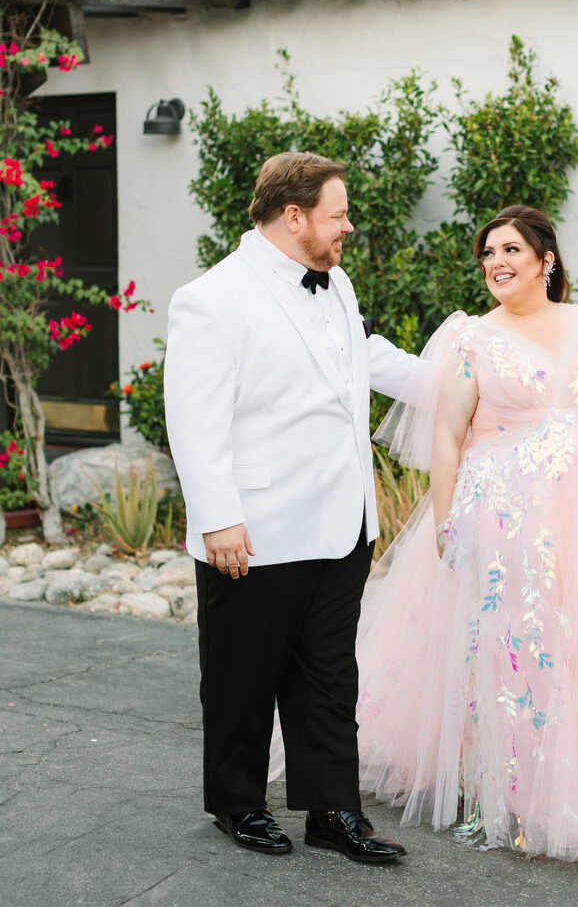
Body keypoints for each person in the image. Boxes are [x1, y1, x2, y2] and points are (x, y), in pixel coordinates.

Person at [353, 204, 578, 863]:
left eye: (511, 250)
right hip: (506, 518)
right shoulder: (472, 339)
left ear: (546, 260)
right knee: (521, 644)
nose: (496, 264)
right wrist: (447, 517)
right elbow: (446, 436)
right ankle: (516, 785)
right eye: (487, 254)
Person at [164, 151, 419, 866]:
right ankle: (236, 804)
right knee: (244, 674)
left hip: (342, 522)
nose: (348, 226)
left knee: (331, 676)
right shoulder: (211, 298)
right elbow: (195, 419)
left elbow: (365, 358)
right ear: (294, 215)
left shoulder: (332, 281)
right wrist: (218, 518)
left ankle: (332, 811)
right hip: (256, 527)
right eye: (338, 214)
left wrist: (465, 384)